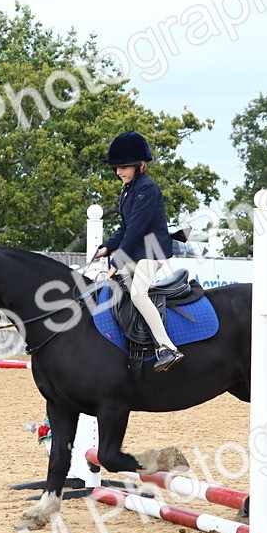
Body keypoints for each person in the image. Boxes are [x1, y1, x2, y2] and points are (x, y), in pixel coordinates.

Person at [92, 131, 184, 371]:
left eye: (123, 167)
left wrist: (117, 261)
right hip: (137, 252)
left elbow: (136, 230)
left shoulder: (148, 189)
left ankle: (167, 347)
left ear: (139, 165)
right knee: (114, 290)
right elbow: (124, 228)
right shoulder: (128, 190)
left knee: (138, 294)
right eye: (116, 168)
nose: (118, 172)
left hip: (152, 252)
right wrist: (107, 247)